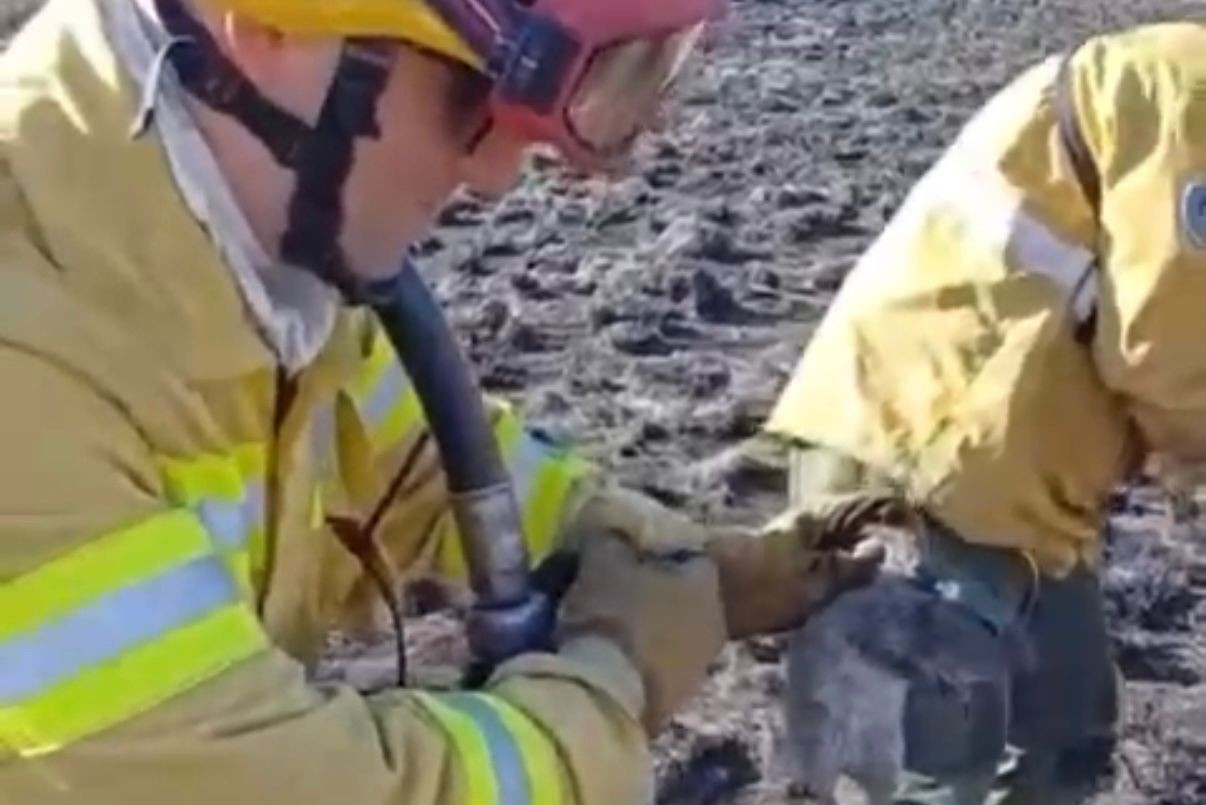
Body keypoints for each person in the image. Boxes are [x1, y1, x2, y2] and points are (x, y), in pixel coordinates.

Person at [0, 1, 899, 803]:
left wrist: (689, 565)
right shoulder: (25, 365)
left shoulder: (235, 238)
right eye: (475, 99)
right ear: (270, 24)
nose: (499, 174)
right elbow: (277, 780)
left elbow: (423, 465)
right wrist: (610, 678)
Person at [764, 20, 1206, 805]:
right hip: (931, 450)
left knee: (1068, 732)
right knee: (938, 755)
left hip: (1027, 488)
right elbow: (1168, 350)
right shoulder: (1189, 97)